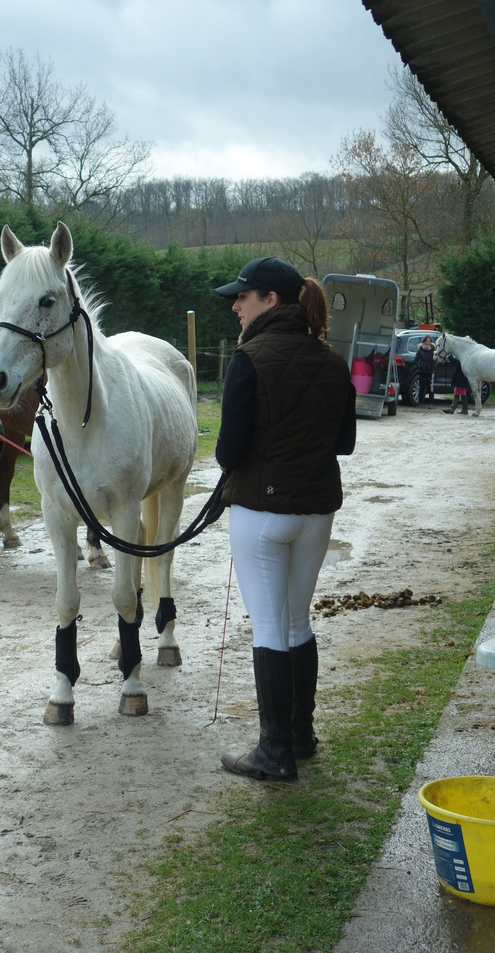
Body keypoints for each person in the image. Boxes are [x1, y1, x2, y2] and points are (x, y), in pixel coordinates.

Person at [214, 257, 356, 782]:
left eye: (243, 297)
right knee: (298, 621)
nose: (236, 306)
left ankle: (274, 752)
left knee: (271, 627)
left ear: (271, 299)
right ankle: (300, 734)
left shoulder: (248, 358)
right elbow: (343, 442)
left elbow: (229, 449)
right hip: (317, 513)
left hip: (262, 514)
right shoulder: (333, 361)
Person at [414, 334, 435, 407]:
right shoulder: (420, 350)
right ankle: (420, 403)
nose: (428, 342)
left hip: (430, 371)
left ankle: (431, 403)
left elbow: (436, 360)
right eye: (426, 341)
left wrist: (433, 367)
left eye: (429, 341)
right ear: (424, 342)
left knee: (430, 388)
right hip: (422, 371)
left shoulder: (433, 351)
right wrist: (420, 366)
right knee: (421, 388)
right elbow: (415, 360)